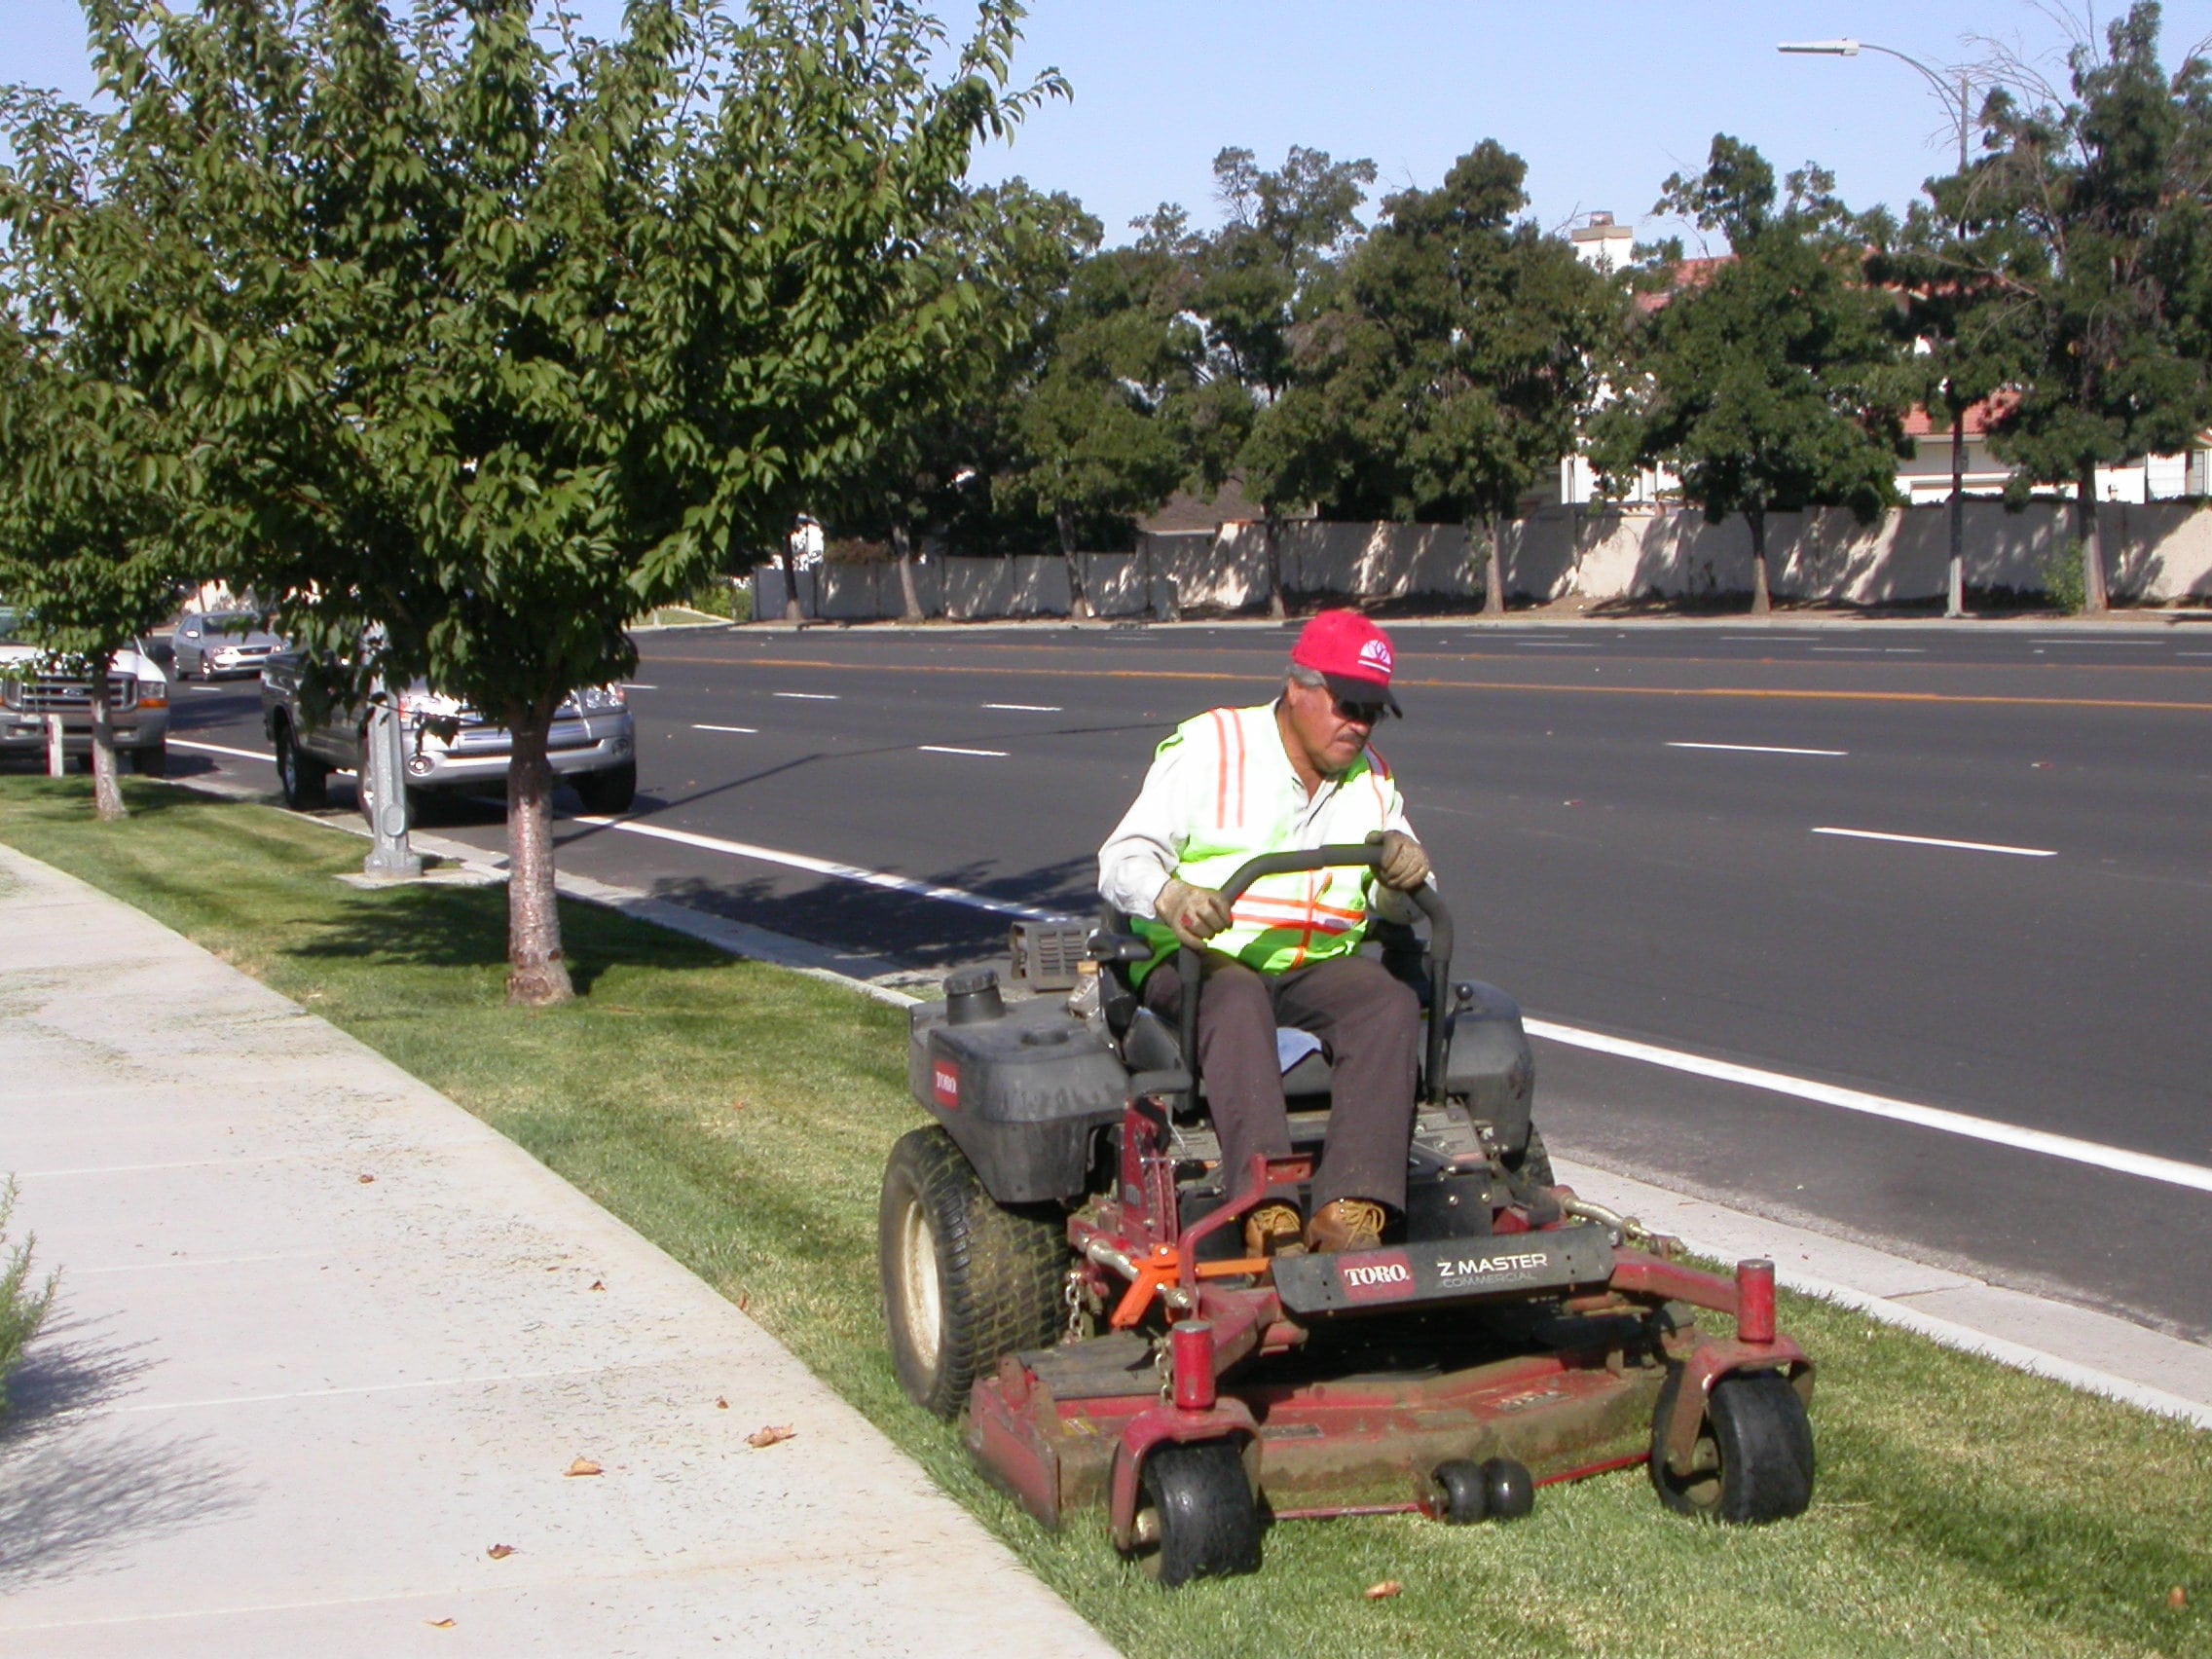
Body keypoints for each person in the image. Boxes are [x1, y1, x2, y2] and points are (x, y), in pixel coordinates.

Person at [1098, 609, 1433, 1259]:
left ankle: (1349, 1206)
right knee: (1237, 997)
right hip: (1200, 963)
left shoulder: (1373, 778)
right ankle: (1266, 1205)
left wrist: (1404, 876)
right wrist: (1172, 897)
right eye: (1348, 705)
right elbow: (1122, 859)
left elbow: (1402, 904)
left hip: (1311, 965)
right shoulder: (1212, 748)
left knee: (1388, 1001)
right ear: (1298, 688)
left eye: (1373, 711)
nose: (1359, 724)